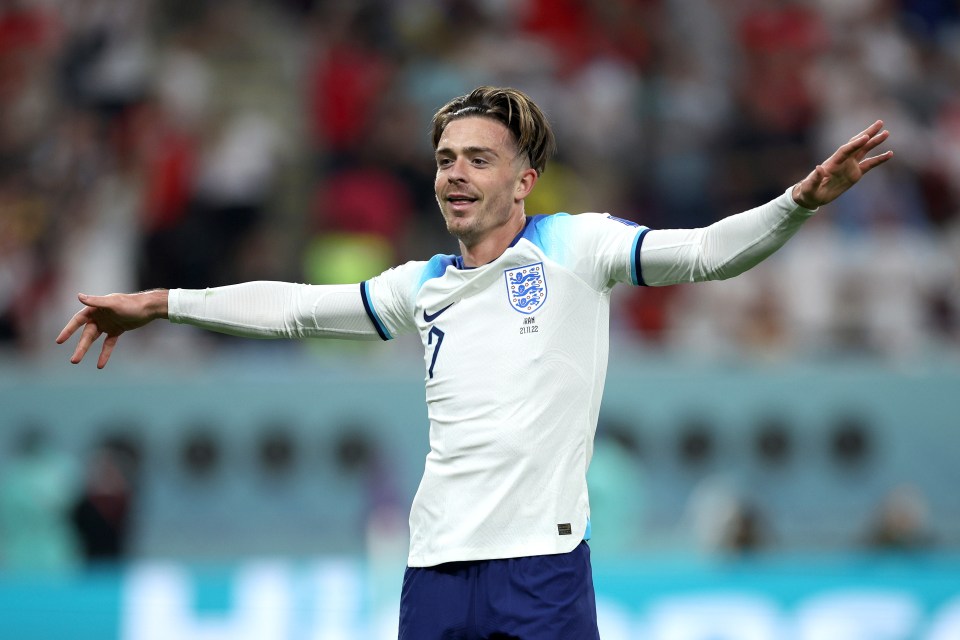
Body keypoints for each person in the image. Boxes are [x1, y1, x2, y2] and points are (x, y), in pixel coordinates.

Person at [57, 86, 892, 638]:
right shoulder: (421, 288)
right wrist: (163, 302)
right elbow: (296, 307)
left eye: (478, 158)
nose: (455, 174)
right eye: (446, 159)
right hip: (434, 571)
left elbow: (708, 253)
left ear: (525, 180)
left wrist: (796, 204)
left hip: (543, 566)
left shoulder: (577, 246)